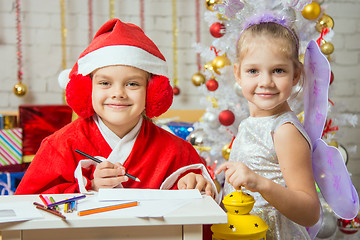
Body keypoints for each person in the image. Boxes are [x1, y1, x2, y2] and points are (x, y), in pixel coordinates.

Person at [15, 18, 217, 199]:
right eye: (105, 83)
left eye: (132, 84)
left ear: (152, 92)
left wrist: (196, 186)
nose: (118, 93)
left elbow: (200, 214)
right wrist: (90, 186)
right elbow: (28, 204)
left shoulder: (177, 151)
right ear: (86, 89)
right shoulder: (59, 145)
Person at [215, 16, 321, 239]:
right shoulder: (249, 124)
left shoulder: (284, 131)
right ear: (237, 73)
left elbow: (310, 212)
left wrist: (260, 183)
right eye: (253, 71)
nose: (266, 82)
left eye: (278, 71)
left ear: (296, 75)